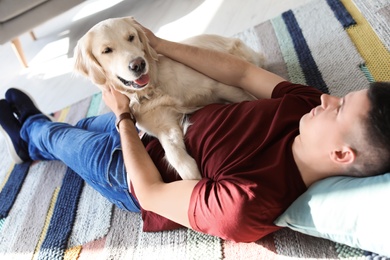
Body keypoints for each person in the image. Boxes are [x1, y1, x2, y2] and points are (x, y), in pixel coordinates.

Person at [1, 22, 390, 243]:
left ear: (342, 155)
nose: (327, 99)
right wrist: (157, 45)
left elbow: (153, 194)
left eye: (338, 108)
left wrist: (123, 120)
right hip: (163, 116)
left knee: (59, 139)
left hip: (134, 170)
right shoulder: (306, 106)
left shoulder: (248, 201)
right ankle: (67, 125)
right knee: (86, 123)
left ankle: (32, 132)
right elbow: (239, 73)